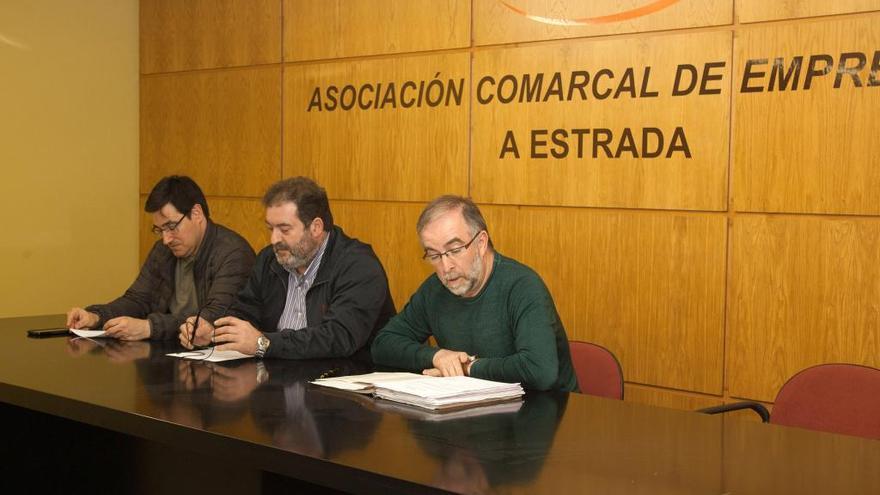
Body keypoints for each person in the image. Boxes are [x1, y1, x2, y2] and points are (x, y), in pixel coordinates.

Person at [371, 195, 578, 391]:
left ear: (481, 243)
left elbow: (540, 370)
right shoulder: (435, 290)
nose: (445, 266)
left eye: (454, 250)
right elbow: (383, 344)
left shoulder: (522, 285)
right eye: (434, 255)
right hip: (476, 413)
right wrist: (437, 356)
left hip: (545, 416)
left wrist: (467, 368)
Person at [180, 176, 395, 359]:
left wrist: (263, 344)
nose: (274, 239)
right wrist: (214, 332)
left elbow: (338, 338)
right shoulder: (269, 260)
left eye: (284, 229)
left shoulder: (358, 265)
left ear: (316, 227)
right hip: (279, 381)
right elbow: (244, 313)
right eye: (270, 228)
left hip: (342, 386)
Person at [66, 176, 255, 341]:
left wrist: (149, 327)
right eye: (160, 230)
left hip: (218, 369)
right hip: (169, 354)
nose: (166, 239)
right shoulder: (163, 251)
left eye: (171, 226)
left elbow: (212, 319)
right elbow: (138, 299)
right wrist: (96, 316)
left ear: (196, 213)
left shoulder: (233, 254)